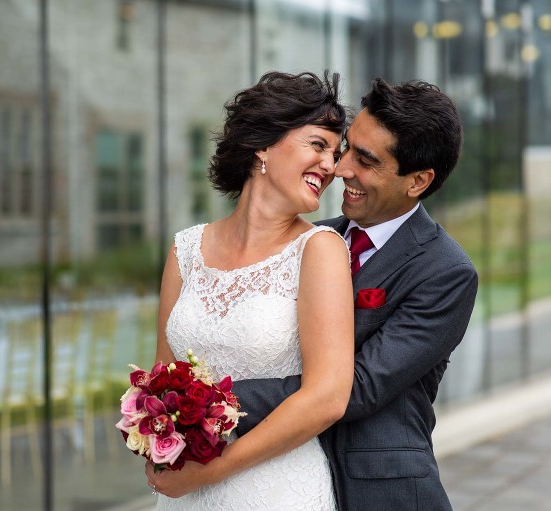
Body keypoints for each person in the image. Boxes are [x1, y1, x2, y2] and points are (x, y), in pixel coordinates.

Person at [149, 78, 479, 510]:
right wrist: (158, 421)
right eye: (342, 150)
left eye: (363, 158)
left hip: (373, 489)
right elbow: (162, 369)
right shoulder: (309, 239)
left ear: (417, 181)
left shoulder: (445, 272)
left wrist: (198, 405)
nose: (339, 169)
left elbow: (352, 388)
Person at [148, 70, 354, 510]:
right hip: (184, 495)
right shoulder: (186, 249)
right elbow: (161, 380)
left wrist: (214, 470)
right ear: (262, 143)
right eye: (318, 145)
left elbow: (327, 398)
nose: (331, 167)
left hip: (276, 490)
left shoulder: (318, 251)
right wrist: (154, 447)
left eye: (334, 154)